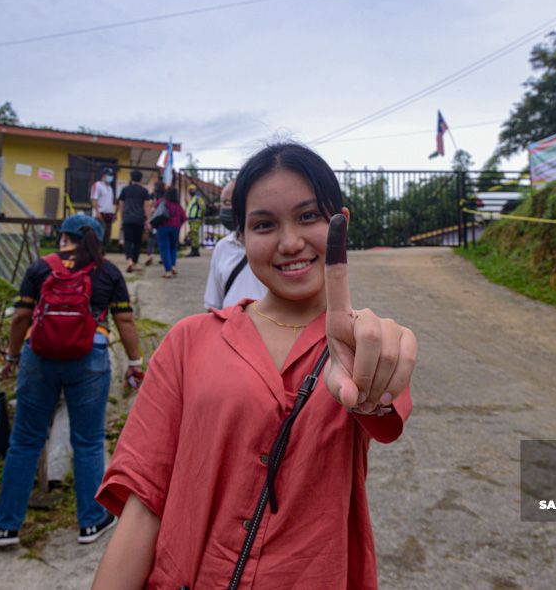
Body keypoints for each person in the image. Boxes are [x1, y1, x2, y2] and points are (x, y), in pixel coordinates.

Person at [92, 142, 417, 589]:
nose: (290, 242)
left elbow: (382, 405)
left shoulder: (364, 344)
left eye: (308, 216)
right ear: (241, 237)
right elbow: (145, 501)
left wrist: (370, 383)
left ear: (340, 225)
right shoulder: (188, 341)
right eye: (264, 224)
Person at [0, 214, 144, 548]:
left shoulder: (40, 267)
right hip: (89, 359)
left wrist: (13, 357)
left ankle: (6, 527)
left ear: (63, 237)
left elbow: (21, 316)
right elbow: (125, 320)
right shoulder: (107, 271)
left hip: (39, 358)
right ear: (97, 240)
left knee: (25, 441)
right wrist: (134, 362)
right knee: (88, 441)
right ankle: (91, 521)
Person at [203, 178, 267, 311]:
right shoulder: (222, 247)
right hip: (229, 322)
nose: (224, 209)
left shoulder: (274, 247)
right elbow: (213, 305)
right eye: (224, 203)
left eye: (229, 202)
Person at [117, 170, 152, 273]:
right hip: (139, 219)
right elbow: (147, 206)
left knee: (128, 241)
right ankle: (135, 263)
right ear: (141, 179)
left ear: (131, 178)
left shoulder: (125, 190)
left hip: (127, 219)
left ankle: (129, 260)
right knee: (137, 242)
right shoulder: (144, 191)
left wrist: (122, 217)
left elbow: (121, 205)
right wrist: (148, 220)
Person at [154, 187, 186, 279]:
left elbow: (156, 212)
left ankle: (168, 271)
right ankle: (173, 266)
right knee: (173, 248)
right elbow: (184, 218)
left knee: (164, 248)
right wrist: (178, 225)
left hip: (163, 227)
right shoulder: (178, 205)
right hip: (175, 228)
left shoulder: (161, 202)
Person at [90, 167, 116, 250]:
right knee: (99, 234)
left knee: (107, 235)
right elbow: (94, 199)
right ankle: (96, 251)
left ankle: (103, 252)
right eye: (109, 175)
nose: (110, 177)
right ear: (103, 175)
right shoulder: (97, 185)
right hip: (100, 213)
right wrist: (97, 212)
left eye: (111, 175)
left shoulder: (110, 188)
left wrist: (113, 214)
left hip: (108, 214)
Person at [186, 183, 205, 257]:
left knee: (194, 234)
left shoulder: (198, 198)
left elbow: (202, 207)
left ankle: (195, 250)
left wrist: (202, 217)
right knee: (193, 235)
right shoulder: (193, 199)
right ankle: (194, 250)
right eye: (190, 190)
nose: (191, 191)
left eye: (192, 190)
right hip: (192, 219)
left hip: (196, 218)